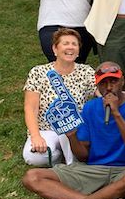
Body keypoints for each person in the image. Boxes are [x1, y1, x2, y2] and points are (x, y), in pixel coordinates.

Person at [22, 62, 125, 199]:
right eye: (104, 83)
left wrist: (116, 113)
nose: (109, 87)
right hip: (94, 170)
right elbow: (83, 155)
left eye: (113, 81)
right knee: (32, 177)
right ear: (97, 85)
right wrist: (71, 136)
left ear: (122, 81)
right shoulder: (90, 107)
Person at [22, 28, 96, 166]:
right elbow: (30, 108)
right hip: (47, 129)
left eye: (74, 44)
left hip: (76, 130)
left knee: (81, 148)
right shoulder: (39, 72)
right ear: (55, 49)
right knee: (33, 157)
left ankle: (72, 160)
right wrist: (36, 136)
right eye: (65, 43)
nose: (70, 47)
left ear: (78, 50)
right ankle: (59, 160)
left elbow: (104, 93)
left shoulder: (86, 71)